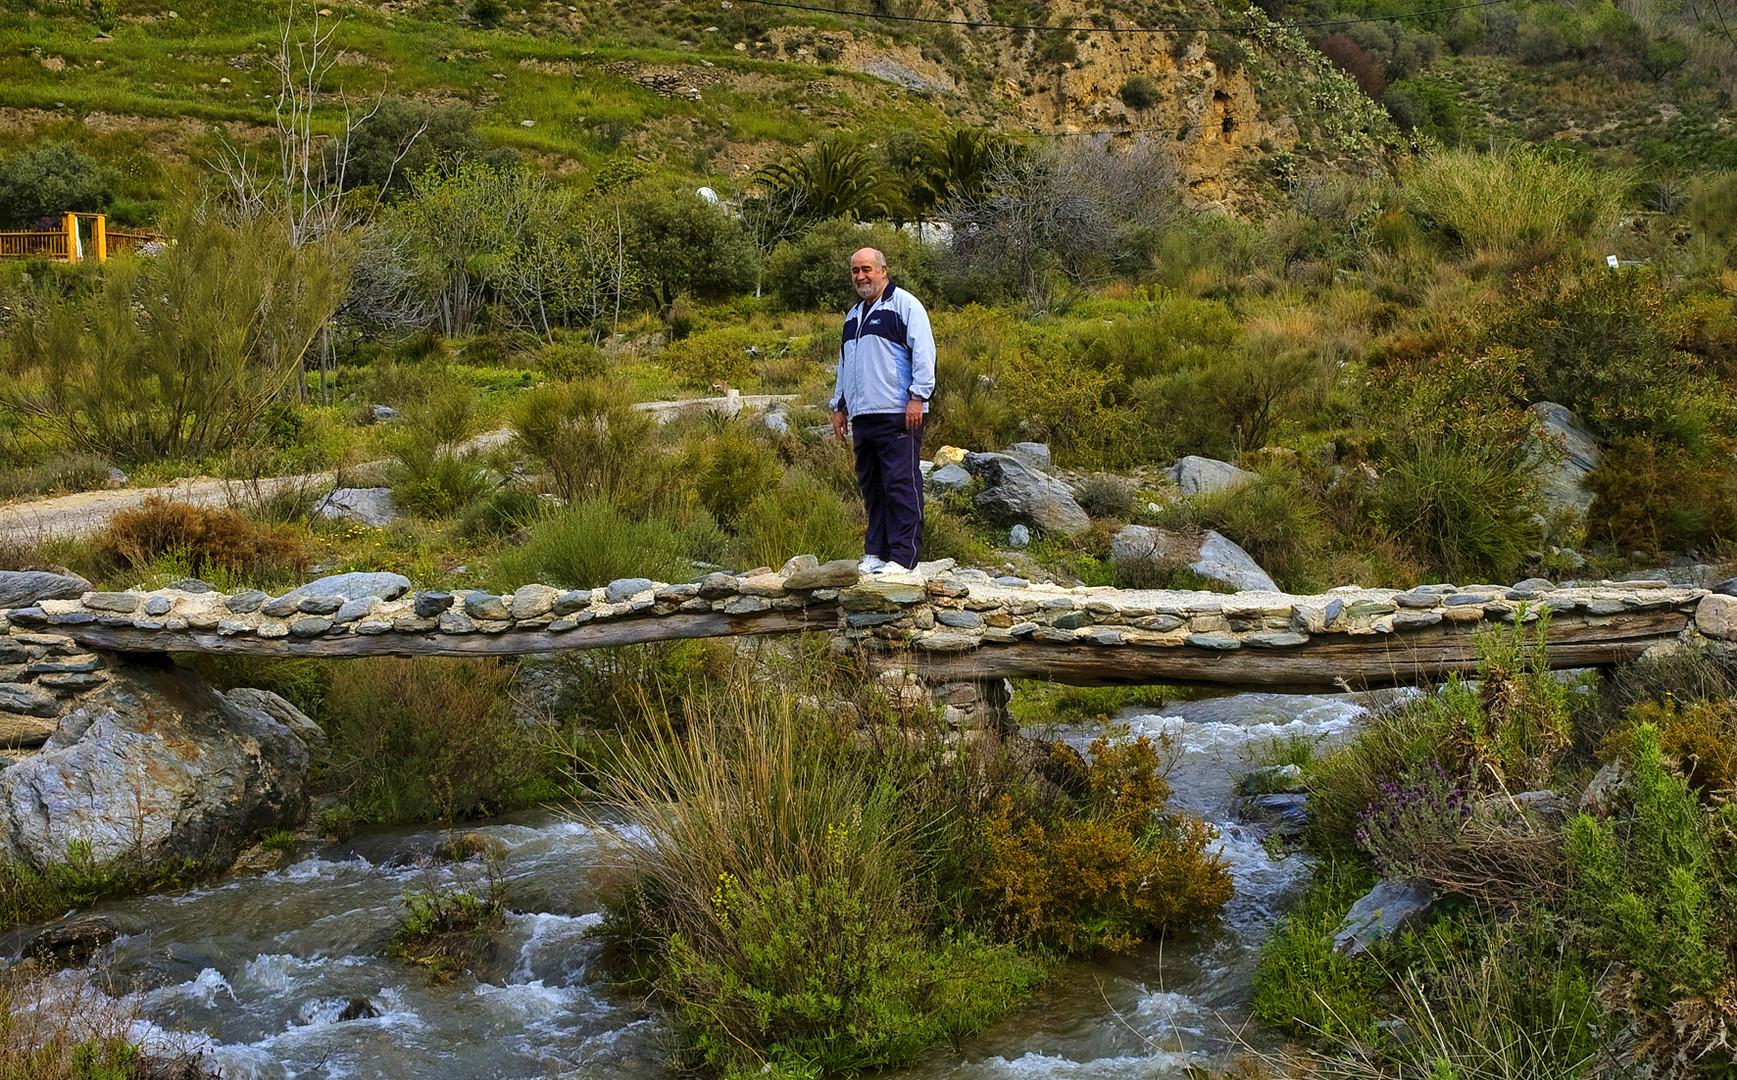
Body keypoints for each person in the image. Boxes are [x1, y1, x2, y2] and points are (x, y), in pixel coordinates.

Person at [830, 247, 935, 576]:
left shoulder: (905, 305)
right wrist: (840, 406)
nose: (860, 276)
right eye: (855, 270)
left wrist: (918, 396)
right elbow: (845, 366)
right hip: (863, 417)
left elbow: (924, 352)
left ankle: (904, 557)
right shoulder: (852, 316)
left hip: (898, 413)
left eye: (867, 269)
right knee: (872, 487)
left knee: (900, 484)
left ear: (883, 271)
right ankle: (876, 551)